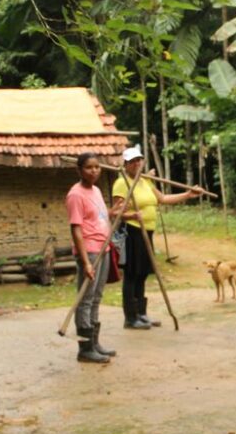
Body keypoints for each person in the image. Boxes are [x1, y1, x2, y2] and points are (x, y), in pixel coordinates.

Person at [112, 145, 203, 330]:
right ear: (126, 164)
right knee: (132, 273)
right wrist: (130, 215)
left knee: (143, 273)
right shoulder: (122, 183)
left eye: (139, 160)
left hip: (148, 232)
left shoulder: (145, 181)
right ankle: (130, 317)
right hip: (132, 231)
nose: (137, 164)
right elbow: (116, 212)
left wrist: (188, 194)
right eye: (132, 161)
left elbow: (163, 199)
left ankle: (141, 314)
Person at [66, 152, 117, 363]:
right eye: (89, 167)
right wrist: (86, 261)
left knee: (96, 297)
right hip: (90, 251)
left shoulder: (96, 190)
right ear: (79, 170)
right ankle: (84, 348)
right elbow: (76, 229)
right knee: (86, 300)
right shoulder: (75, 195)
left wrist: (117, 212)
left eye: (97, 167)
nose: (94, 171)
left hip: (103, 248)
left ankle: (94, 343)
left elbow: (100, 217)